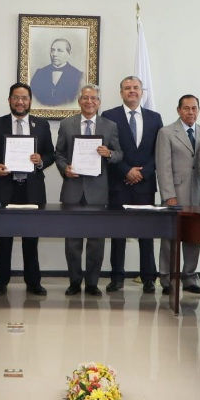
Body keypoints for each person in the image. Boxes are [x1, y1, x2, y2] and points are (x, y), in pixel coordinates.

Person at [0, 82, 55, 296]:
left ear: (30, 101)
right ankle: (1, 282)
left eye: (24, 98)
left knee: (31, 237)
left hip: (32, 189)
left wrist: (41, 161)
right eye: (16, 97)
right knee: (3, 237)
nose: (20, 102)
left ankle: (33, 282)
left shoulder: (41, 125)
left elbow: (50, 154)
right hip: (4, 187)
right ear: (9, 100)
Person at [55, 84, 123, 296]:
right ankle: (75, 282)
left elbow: (119, 154)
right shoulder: (66, 124)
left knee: (96, 241)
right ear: (79, 101)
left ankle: (92, 283)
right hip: (73, 190)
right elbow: (59, 154)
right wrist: (64, 168)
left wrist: (108, 153)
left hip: (98, 192)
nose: (89, 101)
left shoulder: (110, 126)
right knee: (72, 241)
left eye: (93, 98)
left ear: (99, 102)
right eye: (85, 98)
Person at [102, 76, 164, 293]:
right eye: (127, 88)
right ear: (121, 92)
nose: (132, 91)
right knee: (118, 233)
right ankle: (117, 277)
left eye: (135, 87)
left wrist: (142, 173)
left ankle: (148, 278)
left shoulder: (155, 118)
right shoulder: (109, 116)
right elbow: (107, 150)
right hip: (119, 183)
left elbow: (159, 152)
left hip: (144, 185)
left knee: (146, 234)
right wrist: (126, 170)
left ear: (142, 91)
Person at [156, 94, 200, 294]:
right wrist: (168, 194)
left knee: (193, 236)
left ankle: (189, 277)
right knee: (170, 237)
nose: (190, 112)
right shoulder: (167, 132)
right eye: (186, 108)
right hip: (175, 193)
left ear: (198, 110)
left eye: (194, 108)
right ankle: (166, 278)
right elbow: (163, 166)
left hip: (199, 194)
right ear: (178, 110)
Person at [30, 38, 84, 106]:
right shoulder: (39, 73)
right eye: (52, 50)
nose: (54, 54)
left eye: (59, 50)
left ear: (69, 53)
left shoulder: (78, 76)